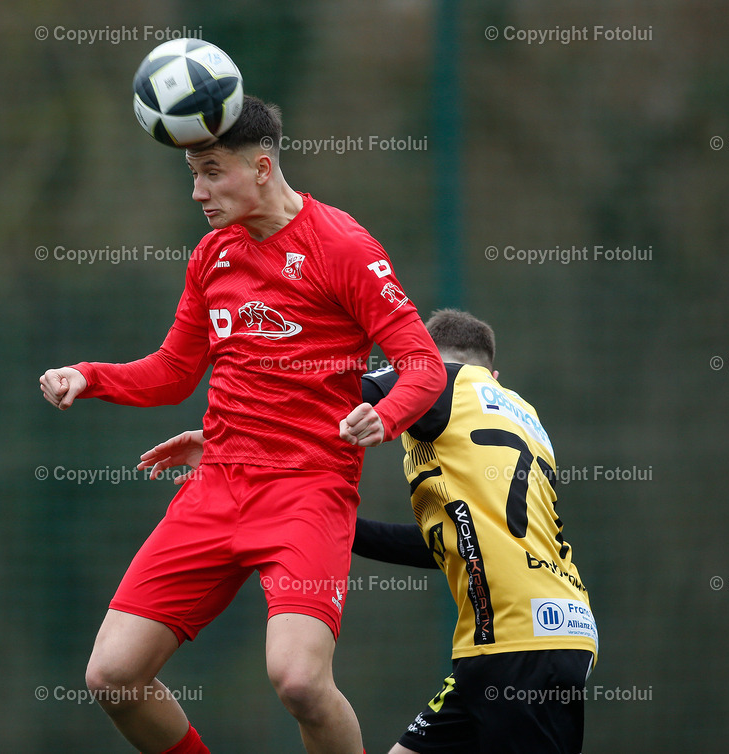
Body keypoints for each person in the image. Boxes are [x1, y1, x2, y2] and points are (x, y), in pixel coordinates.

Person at [39, 95, 446, 754]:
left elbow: (423, 366)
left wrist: (386, 414)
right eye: (192, 175)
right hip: (216, 488)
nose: (198, 191)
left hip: (307, 493)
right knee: (112, 676)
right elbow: (174, 373)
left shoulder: (342, 246)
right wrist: (89, 377)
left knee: (300, 683)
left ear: (261, 167)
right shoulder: (212, 255)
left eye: (211, 172)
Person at [141, 310, 597, 754]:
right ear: (495, 375)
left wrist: (228, 444)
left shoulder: (437, 378)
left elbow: (330, 396)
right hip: (540, 632)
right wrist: (331, 525)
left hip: (519, 641)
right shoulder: (525, 417)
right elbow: (448, 544)